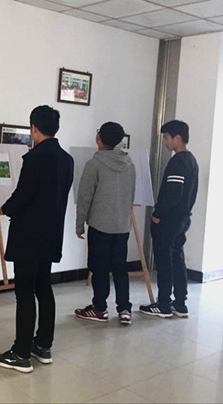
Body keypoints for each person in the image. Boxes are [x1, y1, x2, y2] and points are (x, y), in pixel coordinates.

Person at [0, 105, 73, 373]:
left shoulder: (36, 157)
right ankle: (43, 345)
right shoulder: (66, 159)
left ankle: (21, 353)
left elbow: (23, 196)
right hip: (51, 234)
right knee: (43, 288)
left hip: (29, 236)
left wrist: (3, 209)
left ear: (34, 128)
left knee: (25, 292)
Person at [75, 122, 136, 325]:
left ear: (98, 138)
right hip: (122, 226)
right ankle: (125, 309)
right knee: (120, 267)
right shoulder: (130, 164)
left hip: (100, 225)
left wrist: (79, 223)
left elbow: (85, 197)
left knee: (99, 268)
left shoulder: (94, 164)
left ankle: (99, 308)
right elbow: (131, 195)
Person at [140, 120, 198, 319]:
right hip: (183, 218)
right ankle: (180, 304)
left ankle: (163, 304)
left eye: (166, 138)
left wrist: (158, 215)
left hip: (169, 221)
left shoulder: (178, 161)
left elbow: (173, 192)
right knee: (177, 259)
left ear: (177, 138)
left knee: (164, 262)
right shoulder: (191, 160)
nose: (165, 142)